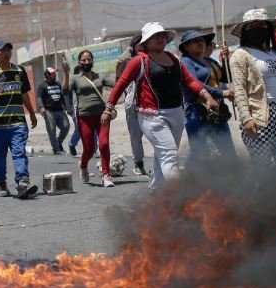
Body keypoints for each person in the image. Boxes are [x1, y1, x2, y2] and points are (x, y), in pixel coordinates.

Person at [104, 23, 218, 190]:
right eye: (155, 36)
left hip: (177, 113)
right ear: (146, 42)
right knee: (169, 154)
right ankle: (181, 196)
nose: (160, 38)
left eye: (163, 35)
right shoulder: (139, 61)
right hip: (152, 116)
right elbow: (121, 83)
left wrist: (207, 96)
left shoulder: (173, 59)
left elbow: (189, 81)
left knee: (163, 155)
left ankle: (156, 192)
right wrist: (108, 108)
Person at [229, 9, 276, 194]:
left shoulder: (275, 54)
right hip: (259, 115)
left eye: (263, 25)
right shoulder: (241, 55)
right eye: (253, 26)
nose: (259, 29)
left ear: (269, 29)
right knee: (261, 166)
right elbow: (239, 89)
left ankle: (273, 194)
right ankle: (254, 199)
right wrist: (246, 118)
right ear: (245, 31)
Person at [0, 41, 39, 198]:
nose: (7, 52)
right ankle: (0, 182)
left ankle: (22, 182)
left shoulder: (19, 71)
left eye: (9, 50)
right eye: (3, 50)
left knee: (19, 152)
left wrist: (32, 113)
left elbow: (24, 94)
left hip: (17, 122)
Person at [177, 30, 236, 161]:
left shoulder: (210, 61)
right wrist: (222, 93)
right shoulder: (185, 62)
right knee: (200, 152)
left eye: (202, 40)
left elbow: (226, 78)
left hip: (217, 109)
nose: (200, 43)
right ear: (186, 47)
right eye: (195, 41)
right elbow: (194, 82)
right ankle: (189, 179)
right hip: (196, 111)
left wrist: (225, 61)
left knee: (228, 149)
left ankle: (230, 178)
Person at [66, 50, 115, 187]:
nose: (86, 62)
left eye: (89, 60)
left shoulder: (99, 77)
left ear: (93, 61)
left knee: (104, 144)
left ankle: (106, 175)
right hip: (84, 117)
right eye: (83, 60)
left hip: (102, 115)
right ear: (79, 63)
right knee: (89, 148)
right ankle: (83, 165)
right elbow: (65, 91)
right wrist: (65, 74)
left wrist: (119, 69)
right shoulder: (75, 78)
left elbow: (117, 84)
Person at [115, 35, 148, 176]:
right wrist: (117, 69)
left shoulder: (152, 60)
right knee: (135, 136)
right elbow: (119, 84)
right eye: (138, 43)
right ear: (133, 47)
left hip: (150, 103)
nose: (142, 45)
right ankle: (138, 163)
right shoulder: (126, 63)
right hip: (133, 105)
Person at [36, 67, 70, 155]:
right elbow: (39, 97)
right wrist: (41, 107)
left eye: (55, 73)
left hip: (60, 110)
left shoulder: (58, 84)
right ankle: (56, 149)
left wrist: (66, 106)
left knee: (66, 126)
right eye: (53, 73)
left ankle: (59, 142)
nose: (55, 75)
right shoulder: (42, 85)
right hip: (49, 111)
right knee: (51, 130)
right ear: (47, 75)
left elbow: (62, 96)